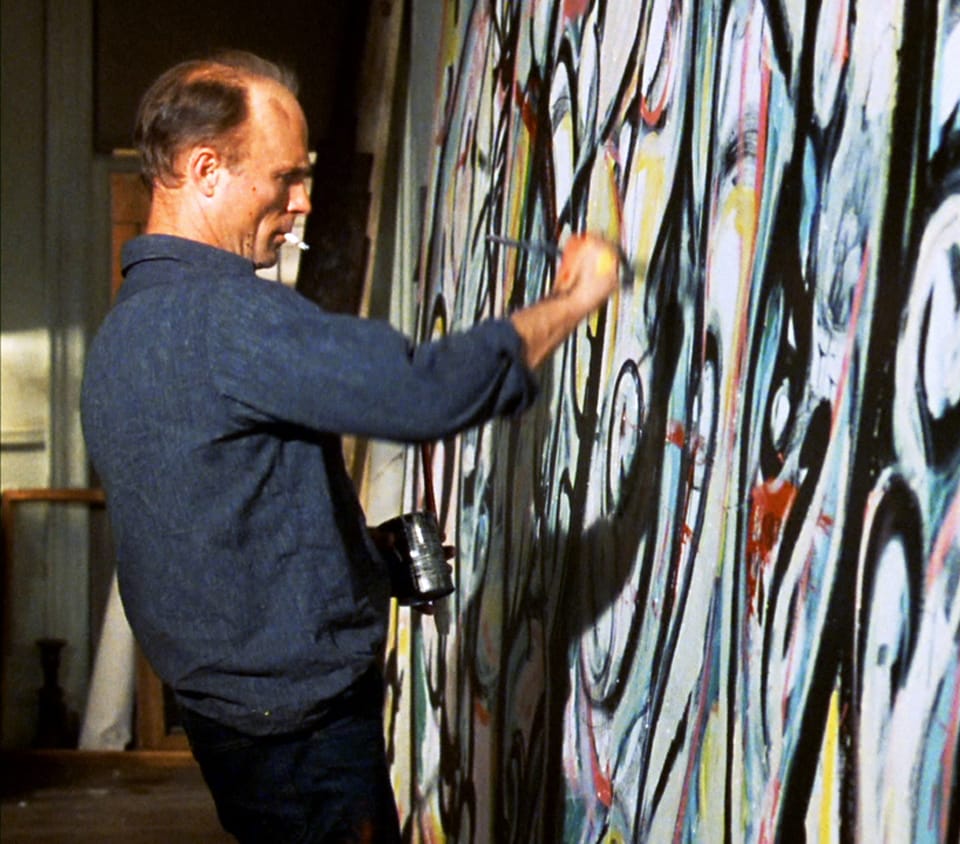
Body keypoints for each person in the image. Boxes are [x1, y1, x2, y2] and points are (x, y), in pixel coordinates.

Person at [80, 50, 620, 843]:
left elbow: (211, 522)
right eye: (285, 177)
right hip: (300, 737)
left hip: (234, 722)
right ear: (205, 171)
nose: (302, 203)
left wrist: (356, 559)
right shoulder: (230, 319)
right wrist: (576, 299)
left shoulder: (127, 331)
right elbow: (424, 391)